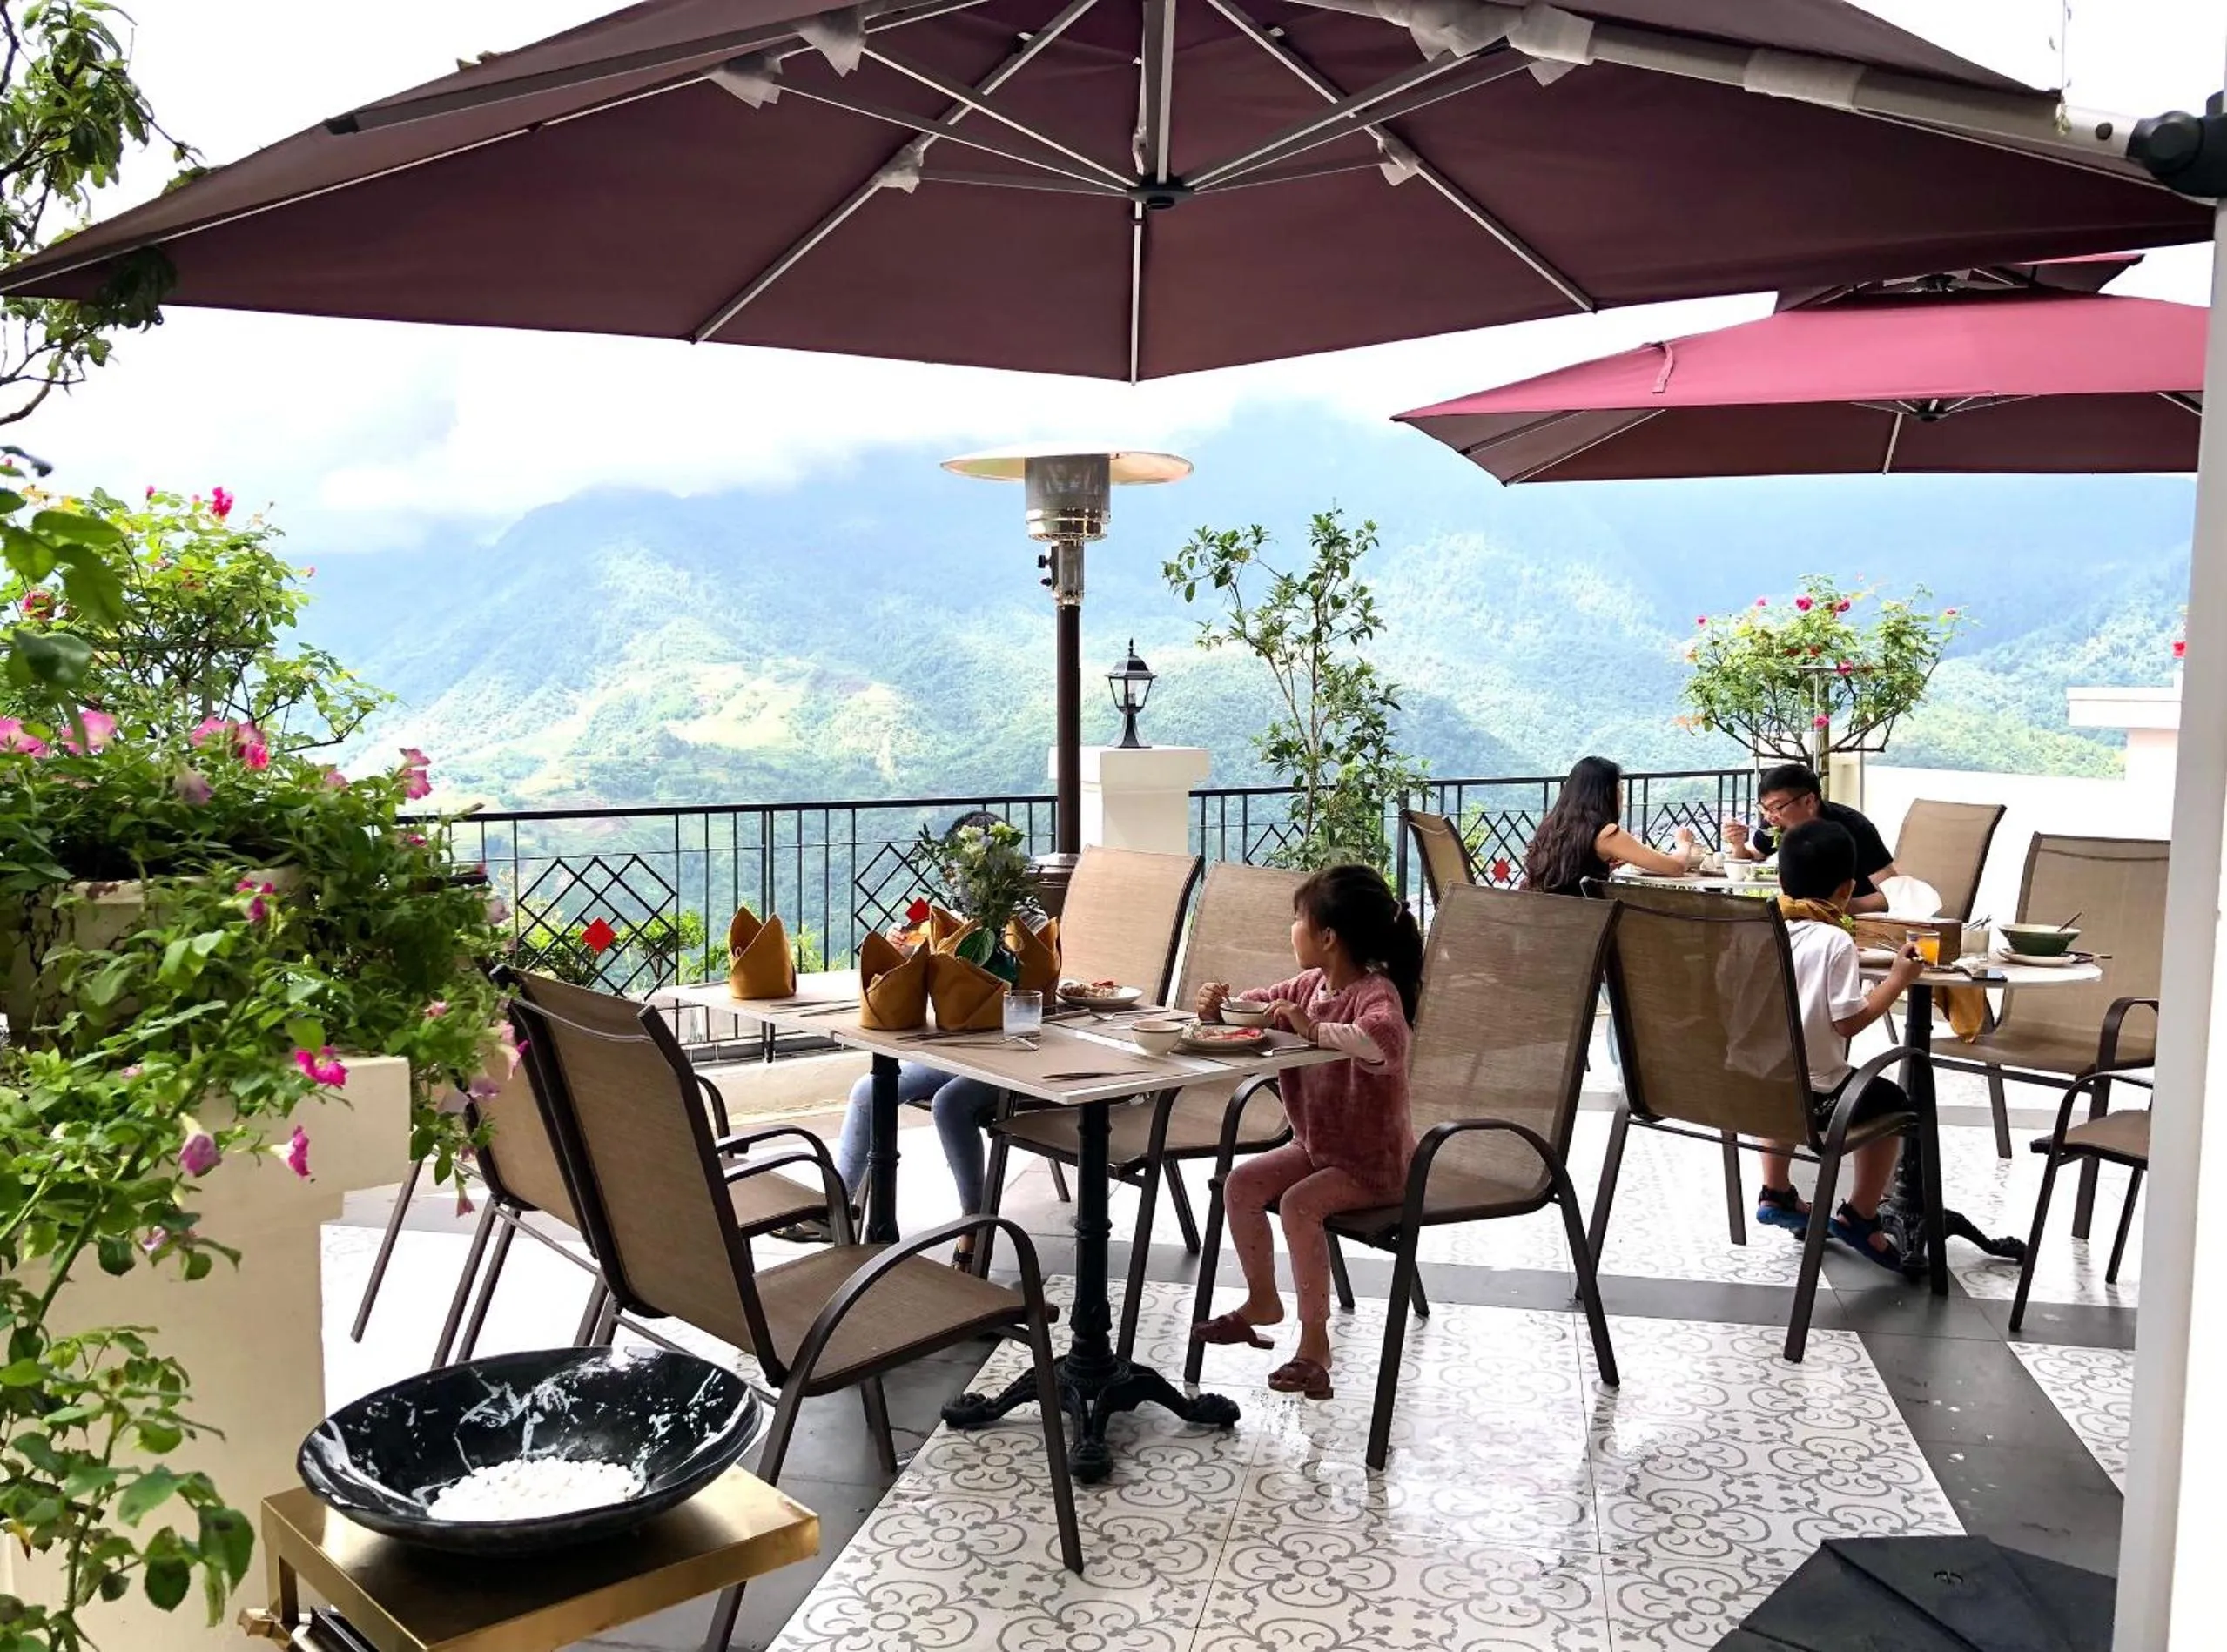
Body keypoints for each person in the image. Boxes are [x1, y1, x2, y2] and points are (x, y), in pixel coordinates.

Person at [1188, 864, 1422, 1400]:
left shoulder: (1374, 994)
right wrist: (1219, 1008)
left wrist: (1312, 1028)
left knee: (1298, 1205)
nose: (1291, 929)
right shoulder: (1308, 987)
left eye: (1297, 918)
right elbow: (1258, 1007)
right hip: (1316, 1147)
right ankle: (1263, 1300)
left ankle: (1315, 1343)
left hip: (1373, 1166)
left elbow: (1383, 1040)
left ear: (1328, 936)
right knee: (1240, 1185)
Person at [806, 810, 1007, 1269]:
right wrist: (910, 953)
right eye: (955, 866)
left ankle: (974, 1228)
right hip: (960, 1047)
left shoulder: (1019, 915)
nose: (958, 875)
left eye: (968, 864)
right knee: (868, 1090)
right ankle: (838, 1211)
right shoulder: (958, 915)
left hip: (1012, 1055)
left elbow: (1019, 986)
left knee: (950, 1103)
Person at [1753, 818, 1925, 1269]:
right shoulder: (1833, 939)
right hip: (1816, 1097)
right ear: (1848, 889)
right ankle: (1860, 1216)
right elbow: (1849, 1023)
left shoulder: (1756, 927)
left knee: (1780, 1071)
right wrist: (1897, 980)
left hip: (1751, 1084)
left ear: (1781, 878)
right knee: (1892, 1103)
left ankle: (1777, 1191)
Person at [1727, 762, 1899, 913]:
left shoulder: (1854, 827)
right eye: (1764, 808)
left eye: (1776, 807)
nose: (1768, 817)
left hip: (1854, 919)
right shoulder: (1777, 822)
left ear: (1809, 801)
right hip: (1803, 919)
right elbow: (1748, 857)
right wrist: (1738, 844)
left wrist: (1835, 908)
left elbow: (1893, 895)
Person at [1522, 755, 1702, 897]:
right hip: (1581, 929)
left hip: (1541, 921)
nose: (1621, 795)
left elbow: (1567, 876)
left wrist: (1606, 867)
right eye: (1620, 788)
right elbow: (1676, 867)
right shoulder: (1607, 834)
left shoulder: (1552, 824)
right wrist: (1684, 843)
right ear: (1608, 793)